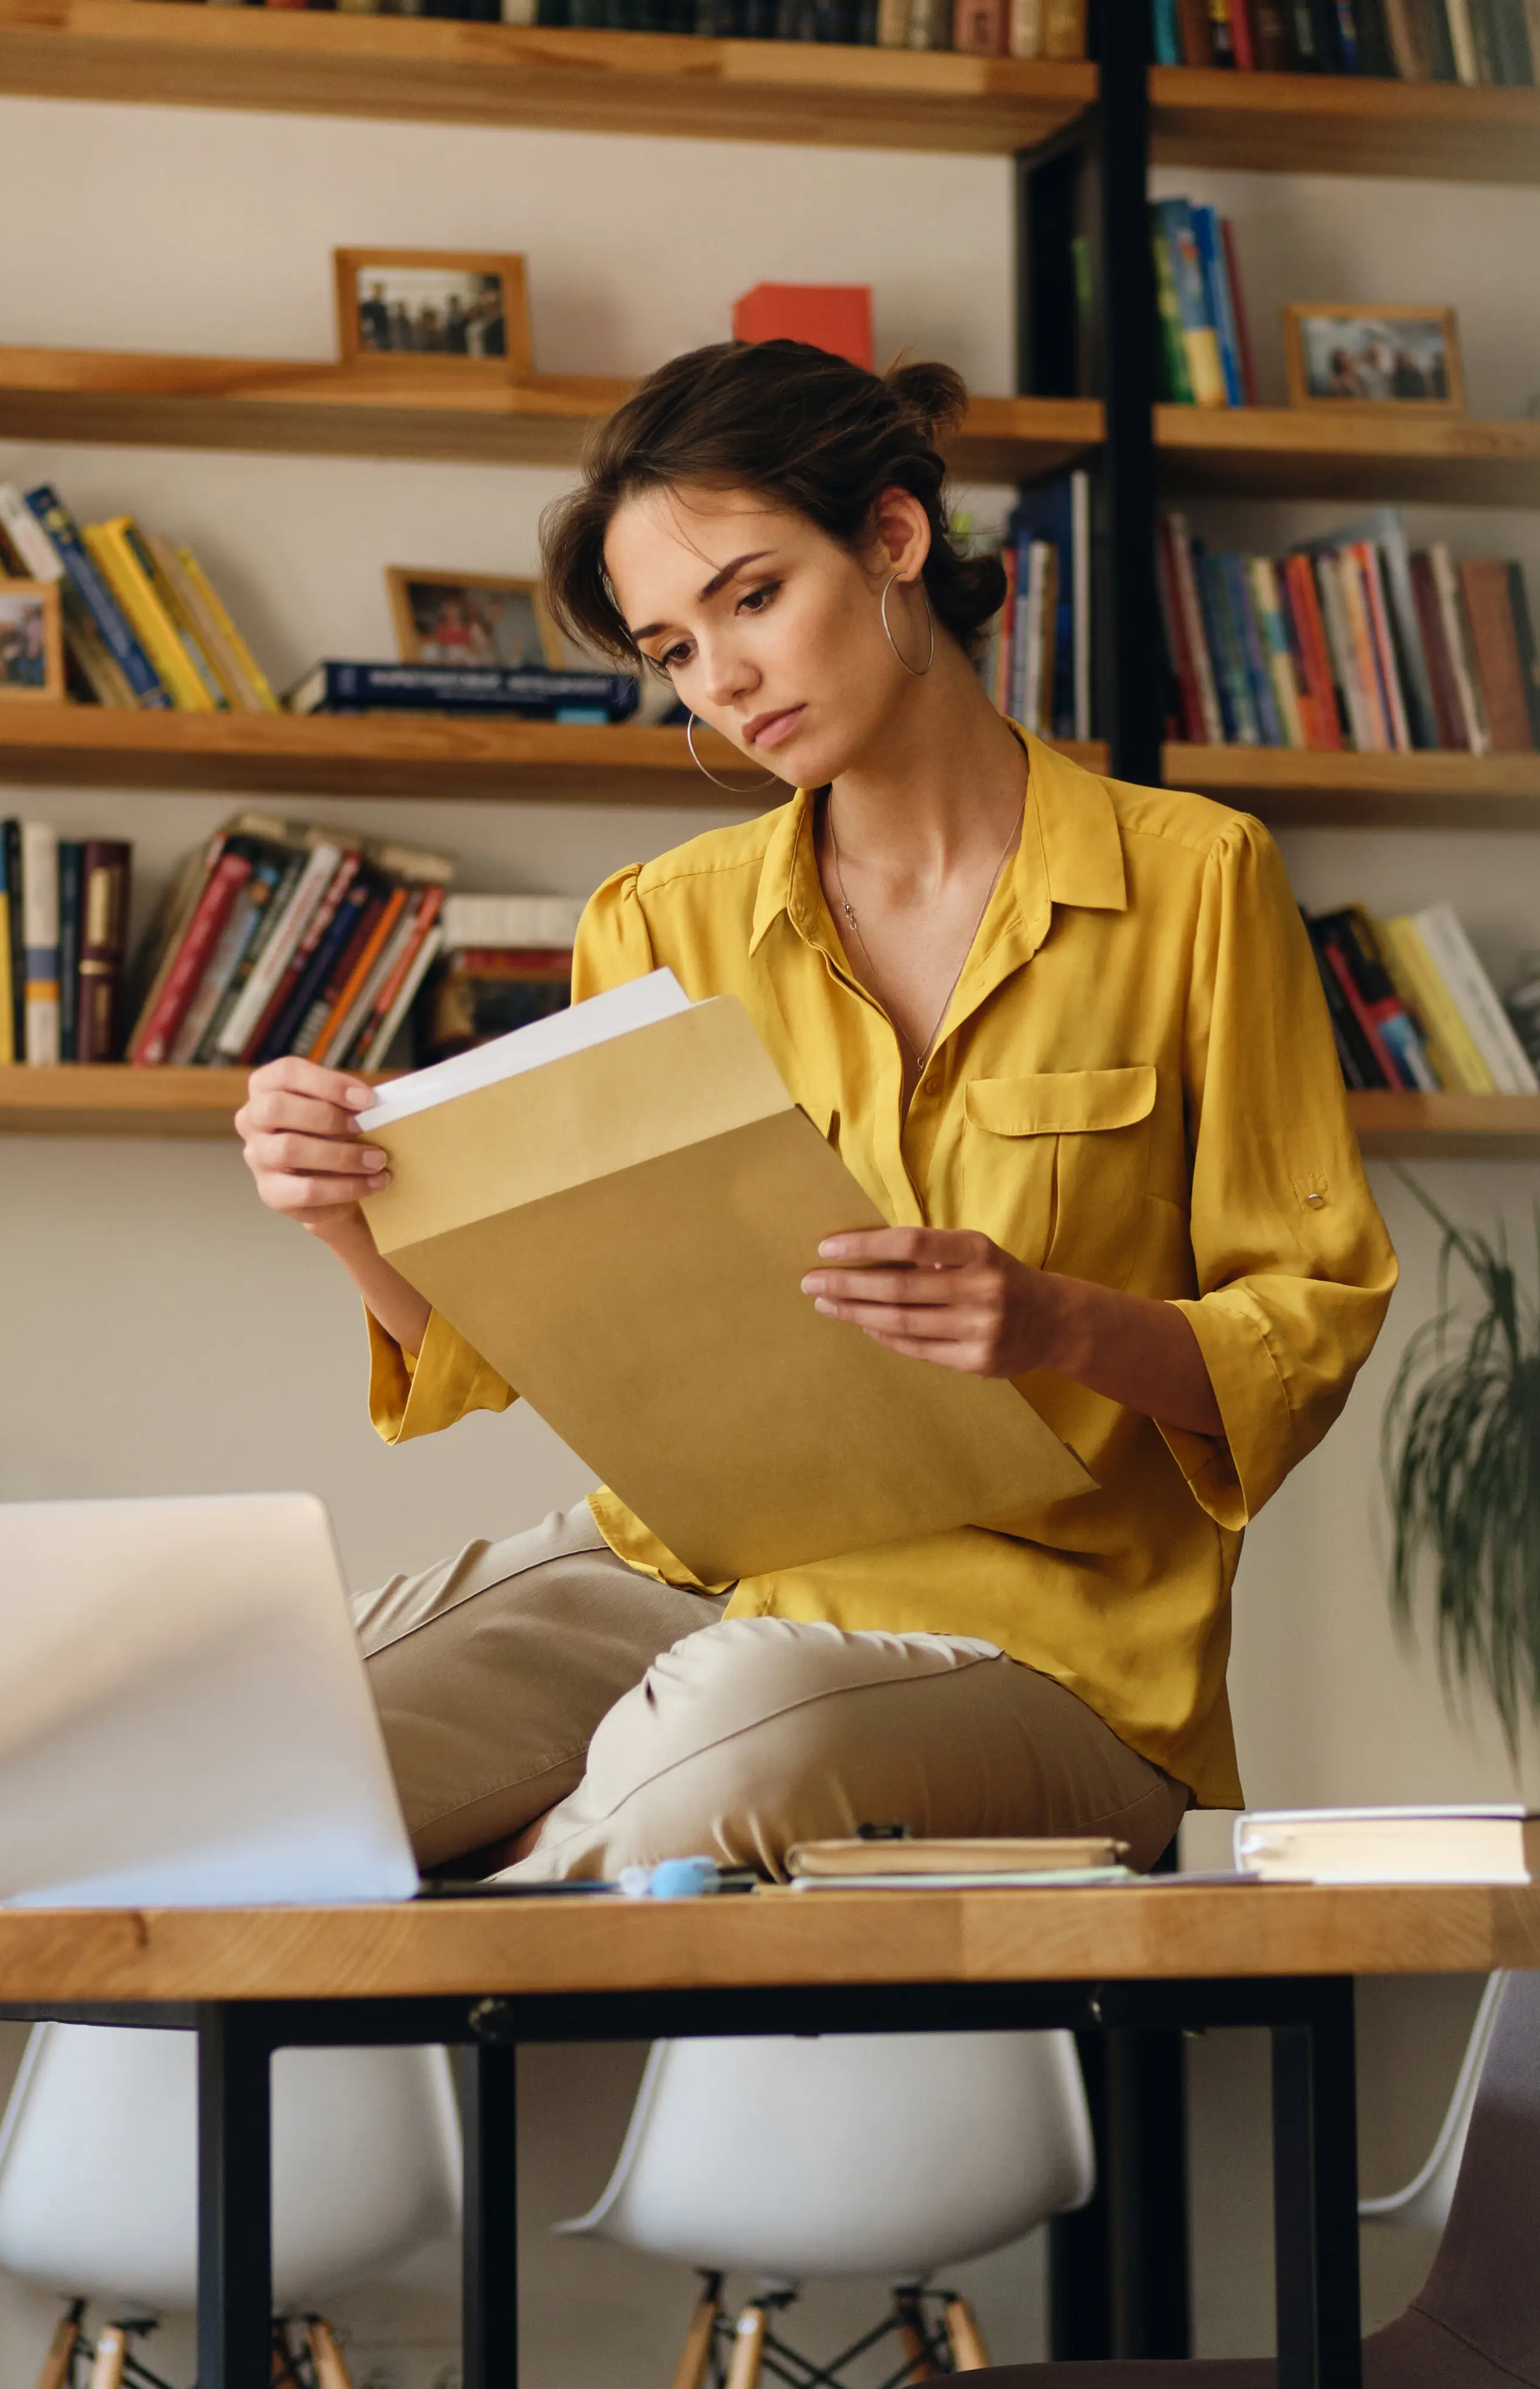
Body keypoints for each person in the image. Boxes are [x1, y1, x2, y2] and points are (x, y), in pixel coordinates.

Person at [230, 341, 1396, 1881]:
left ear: (894, 539)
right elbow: (546, 1337)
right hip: (693, 1574)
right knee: (250, 1747)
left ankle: (523, 1920)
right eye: (669, 645)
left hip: (1062, 1648)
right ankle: (519, 1897)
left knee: (717, 1739)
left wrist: (1049, 1321)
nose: (719, 676)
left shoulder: (1196, 880)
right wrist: (344, 1216)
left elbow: (1303, 1323)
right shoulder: (656, 920)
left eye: (752, 596)